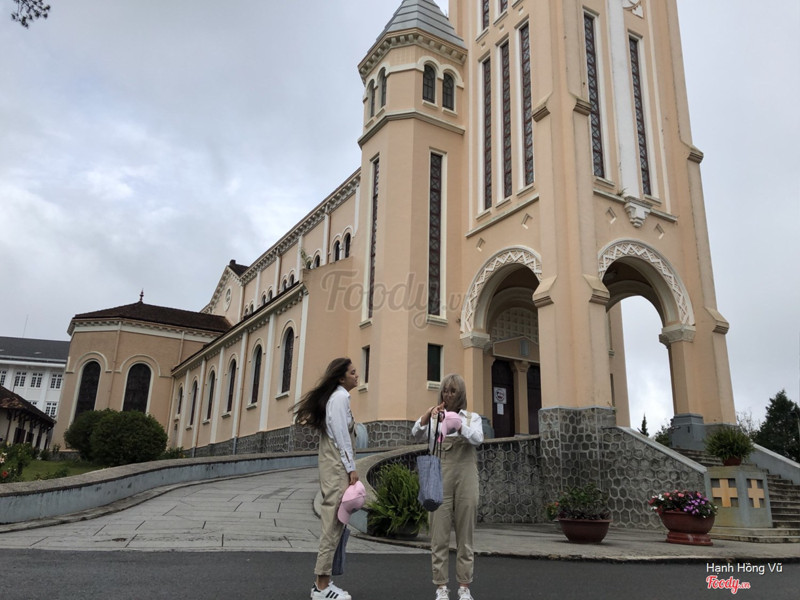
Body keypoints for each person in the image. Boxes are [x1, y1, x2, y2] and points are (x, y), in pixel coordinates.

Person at [412, 373, 484, 600]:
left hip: (466, 476)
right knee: (439, 533)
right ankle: (441, 586)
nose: (448, 394)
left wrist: (459, 426)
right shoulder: (435, 419)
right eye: (445, 390)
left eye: (453, 391)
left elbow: (478, 439)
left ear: (460, 394)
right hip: (439, 475)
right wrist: (427, 415)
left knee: (465, 534)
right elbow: (416, 434)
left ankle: (464, 587)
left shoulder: (472, 418)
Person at [293, 357, 359, 600]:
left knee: (335, 524)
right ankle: (321, 587)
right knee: (332, 525)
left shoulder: (337, 398)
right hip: (337, 467)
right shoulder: (340, 398)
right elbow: (341, 436)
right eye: (352, 372)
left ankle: (324, 583)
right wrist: (351, 468)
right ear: (341, 378)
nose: (357, 375)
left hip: (334, 465)